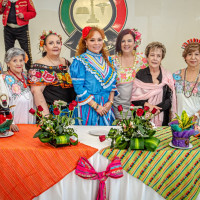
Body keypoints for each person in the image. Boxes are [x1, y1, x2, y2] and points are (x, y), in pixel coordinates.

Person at [70, 26, 118, 125]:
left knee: (107, 138)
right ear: (86, 42)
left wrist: (110, 102)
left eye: (99, 40)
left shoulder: (110, 61)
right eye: (92, 40)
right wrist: (96, 106)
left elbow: (113, 84)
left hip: (106, 107)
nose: (97, 43)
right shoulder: (80, 61)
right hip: (88, 107)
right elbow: (79, 88)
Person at [29, 31, 76, 116]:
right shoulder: (39, 66)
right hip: (53, 114)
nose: (55, 46)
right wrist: (47, 117)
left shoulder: (66, 62)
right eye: (51, 43)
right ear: (45, 47)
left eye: (58, 43)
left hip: (71, 112)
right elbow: (36, 92)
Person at [131, 42, 176, 126]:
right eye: (152, 55)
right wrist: (146, 105)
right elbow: (134, 98)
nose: (155, 58)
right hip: (143, 117)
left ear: (161, 58)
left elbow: (169, 99)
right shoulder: (140, 74)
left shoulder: (167, 75)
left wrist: (155, 109)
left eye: (158, 56)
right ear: (147, 57)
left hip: (162, 118)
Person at [112, 28, 148, 119]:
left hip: (139, 107)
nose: (126, 44)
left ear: (135, 42)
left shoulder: (143, 59)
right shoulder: (112, 60)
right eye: (123, 41)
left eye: (129, 41)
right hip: (118, 108)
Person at [4, 47, 35, 131]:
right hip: (14, 124)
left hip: (29, 120)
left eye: (21, 60)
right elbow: (2, 104)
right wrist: (10, 122)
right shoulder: (3, 79)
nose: (19, 64)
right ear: (8, 63)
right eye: (15, 61)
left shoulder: (25, 76)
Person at [0, 0, 36, 70]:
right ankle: (10, 72)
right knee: (8, 51)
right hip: (8, 29)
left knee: (26, 51)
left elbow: (33, 13)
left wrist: (24, 15)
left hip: (22, 29)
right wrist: (3, 5)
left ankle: (30, 72)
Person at [173, 38, 200, 125]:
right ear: (185, 57)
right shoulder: (176, 75)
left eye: (197, 54)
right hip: (179, 124)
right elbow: (171, 100)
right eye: (189, 54)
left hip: (197, 124)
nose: (193, 57)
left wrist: (195, 117)